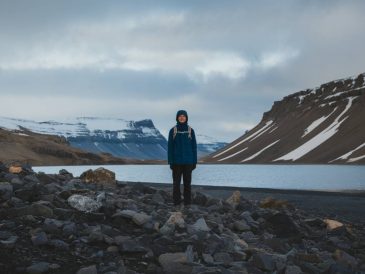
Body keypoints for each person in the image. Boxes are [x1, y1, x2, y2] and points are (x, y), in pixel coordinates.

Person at [167, 109, 197, 207]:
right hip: (176, 162)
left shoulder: (190, 130)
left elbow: (194, 147)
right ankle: (177, 203)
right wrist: (171, 161)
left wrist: (194, 162)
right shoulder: (173, 130)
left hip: (188, 162)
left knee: (187, 184)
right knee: (176, 184)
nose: (182, 117)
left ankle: (187, 204)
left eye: (183, 116)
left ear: (186, 118)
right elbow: (170, 147)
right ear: (177, 117)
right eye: (180, 116)